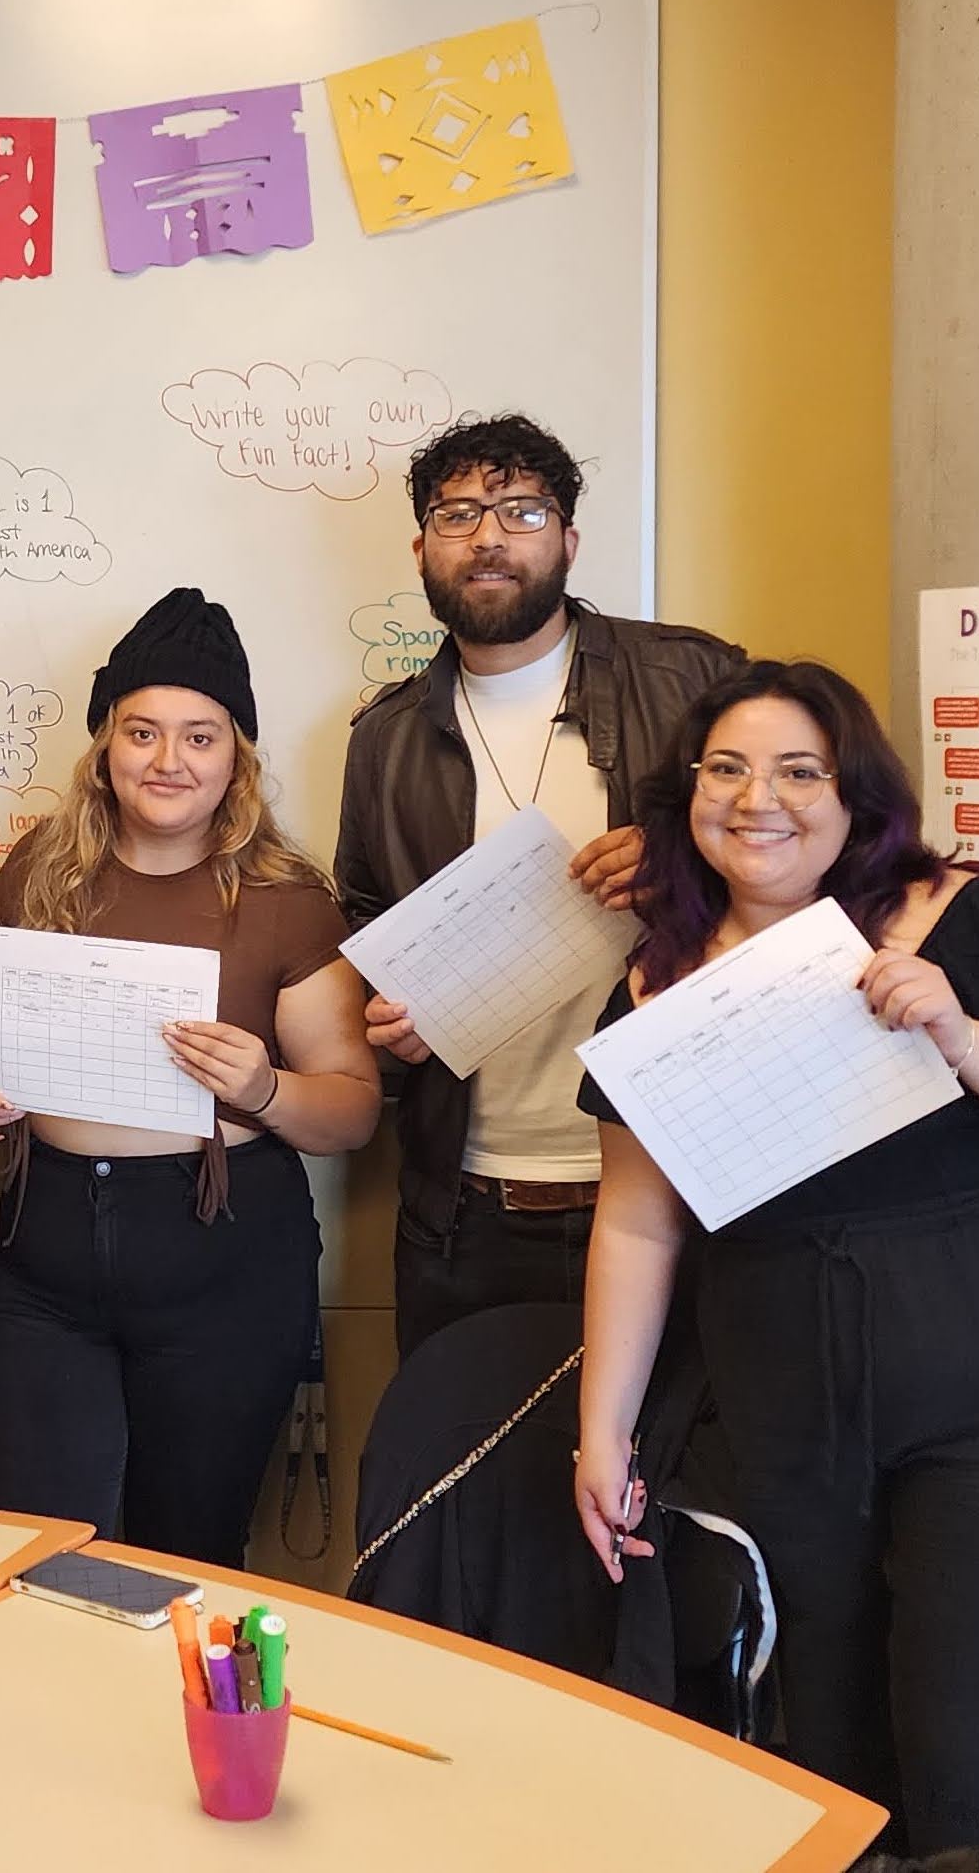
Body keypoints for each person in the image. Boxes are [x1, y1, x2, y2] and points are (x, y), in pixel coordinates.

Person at [574, 661, 979, 1870]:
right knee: (831, 1748)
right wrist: (602, 1429)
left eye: (801, 770)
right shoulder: (652, 982)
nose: (758, 799)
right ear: (687, 792)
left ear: (858, 795)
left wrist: (961, 1035)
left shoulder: (965, 918)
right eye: (727, 768)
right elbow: (637, 1222)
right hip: (795, 1403)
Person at [0, 590, 378, 1566]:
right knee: (33, 1551)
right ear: (105, 744)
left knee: (187, 1552)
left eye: (199, 736)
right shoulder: (39, 870)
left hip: (220, 1254)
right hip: (45, 1247)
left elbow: (353, 1107)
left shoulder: (287, 897)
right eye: (142, 731)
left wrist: (264, 1088)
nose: (167, 760)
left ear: (237, 757)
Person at [333, 412, 742, 1357]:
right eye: (457, 514)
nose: (488, 537)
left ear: (568, 539)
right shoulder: (385, 738)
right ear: (421, 549)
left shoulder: (692, 679)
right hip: (465, 1203)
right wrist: (383, 1015)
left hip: (677, 1181)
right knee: (460, 1447)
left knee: (677, 1449)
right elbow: (363, 916)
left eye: (520, 510)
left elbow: (817, 851)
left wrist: (682, 854)